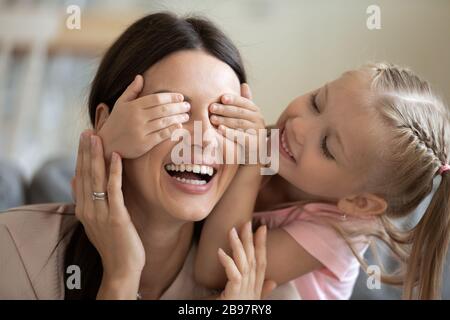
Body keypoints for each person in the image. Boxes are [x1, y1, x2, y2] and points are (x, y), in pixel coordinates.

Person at [0, 12, 299, 300]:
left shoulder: (262, 289)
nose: (205, 137)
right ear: (106, 122)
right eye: (175, 109)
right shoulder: (16, 250)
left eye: (224, 116)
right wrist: (122, 275)